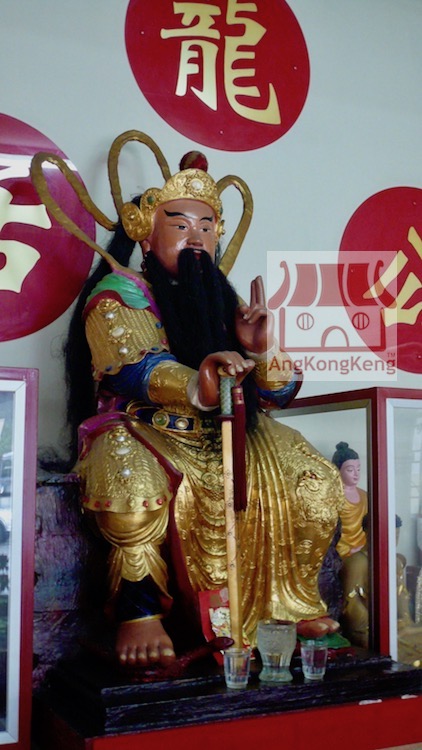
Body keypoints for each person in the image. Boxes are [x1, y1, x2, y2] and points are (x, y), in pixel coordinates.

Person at [60, 148, 345, 668]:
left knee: (313, 477)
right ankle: (140, 613)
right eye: (181, 225)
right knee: (127, 475)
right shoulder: (120, 293)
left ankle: (289, 603)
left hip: (227, 430)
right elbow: (133, 366)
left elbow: (280, 394)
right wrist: (198, 383)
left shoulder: (225, 301)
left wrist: (260, 349)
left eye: (207, 228)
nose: (197, 238)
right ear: (146, 234)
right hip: (150, 428)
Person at [340, 514, 422, 665]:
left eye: (396, 536)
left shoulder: (395, 562)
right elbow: (351, 606)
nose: (392, 541)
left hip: (394, 627)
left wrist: (405, 621)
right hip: (367, 631)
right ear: (367, 533)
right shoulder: (357, 562)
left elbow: (401, 595)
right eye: (389, 536)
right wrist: (376, 628)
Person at [332, 442, 368, 558]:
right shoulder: (332, 497)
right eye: (350, 470)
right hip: (342, 552)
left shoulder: (365, 496)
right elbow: (328, 532)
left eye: (358, 469)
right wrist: (347, 550)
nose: (356, 474)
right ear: (337, 471)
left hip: (365, 549)